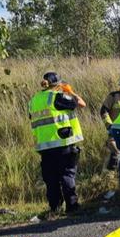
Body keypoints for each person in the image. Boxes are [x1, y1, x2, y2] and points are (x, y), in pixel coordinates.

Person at [29, 72, 86, 215]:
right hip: (62, 143)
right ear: (58, 85)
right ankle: (72, 207)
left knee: (51, 179)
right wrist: (69, 91)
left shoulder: (33, 100)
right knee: (67, 175)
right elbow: (81, 104)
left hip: (44, 146)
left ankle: (54, 208)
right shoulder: (57, 97)